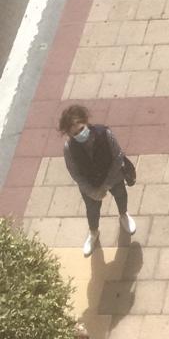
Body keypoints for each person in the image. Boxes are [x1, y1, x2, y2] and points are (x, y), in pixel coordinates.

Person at [59, 103, 136, 256]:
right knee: (92, 210)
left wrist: (106, 185)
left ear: (86, 121)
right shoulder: (69, 148)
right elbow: (75, 173)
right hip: (90, 185)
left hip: (113, 177)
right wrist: (92, 191)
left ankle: (123, 214)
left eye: (81, 129)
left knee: (121, 195)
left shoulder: (105, 133)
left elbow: (118, 157)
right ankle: (93, 232)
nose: (79, 134)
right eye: (74, 134)